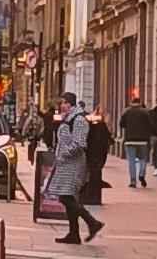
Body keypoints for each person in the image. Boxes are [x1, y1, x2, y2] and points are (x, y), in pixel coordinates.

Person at [47, 92, 104, 245]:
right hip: (66, 163)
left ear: (71, 104)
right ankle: (74, 233)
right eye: (61, 103)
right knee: (68, 197)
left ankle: (92, 222)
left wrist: (63, 153)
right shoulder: (70, 118)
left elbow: (79, 143)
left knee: (66, 197)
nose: (62, 106)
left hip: (74, 163)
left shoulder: (78, 120)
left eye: (64, 103)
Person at [119, 97, 151, 188]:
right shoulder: (146, 112)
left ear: (131, 102)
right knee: (143, 159)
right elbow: (151, 124)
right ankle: (141, 174)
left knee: (131, 161)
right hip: (143, 140)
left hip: (130, 140)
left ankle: (133, 181)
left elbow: (121, 124)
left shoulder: (126, 112)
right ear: (140, 102)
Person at [83, 107, 113, 201]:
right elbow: (108, 138)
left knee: (91, 172)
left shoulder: (90, 126)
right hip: (99, 154)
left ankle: (89, 194)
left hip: (91, 153)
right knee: (96, 171)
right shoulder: (102, 126)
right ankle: (94, 194)